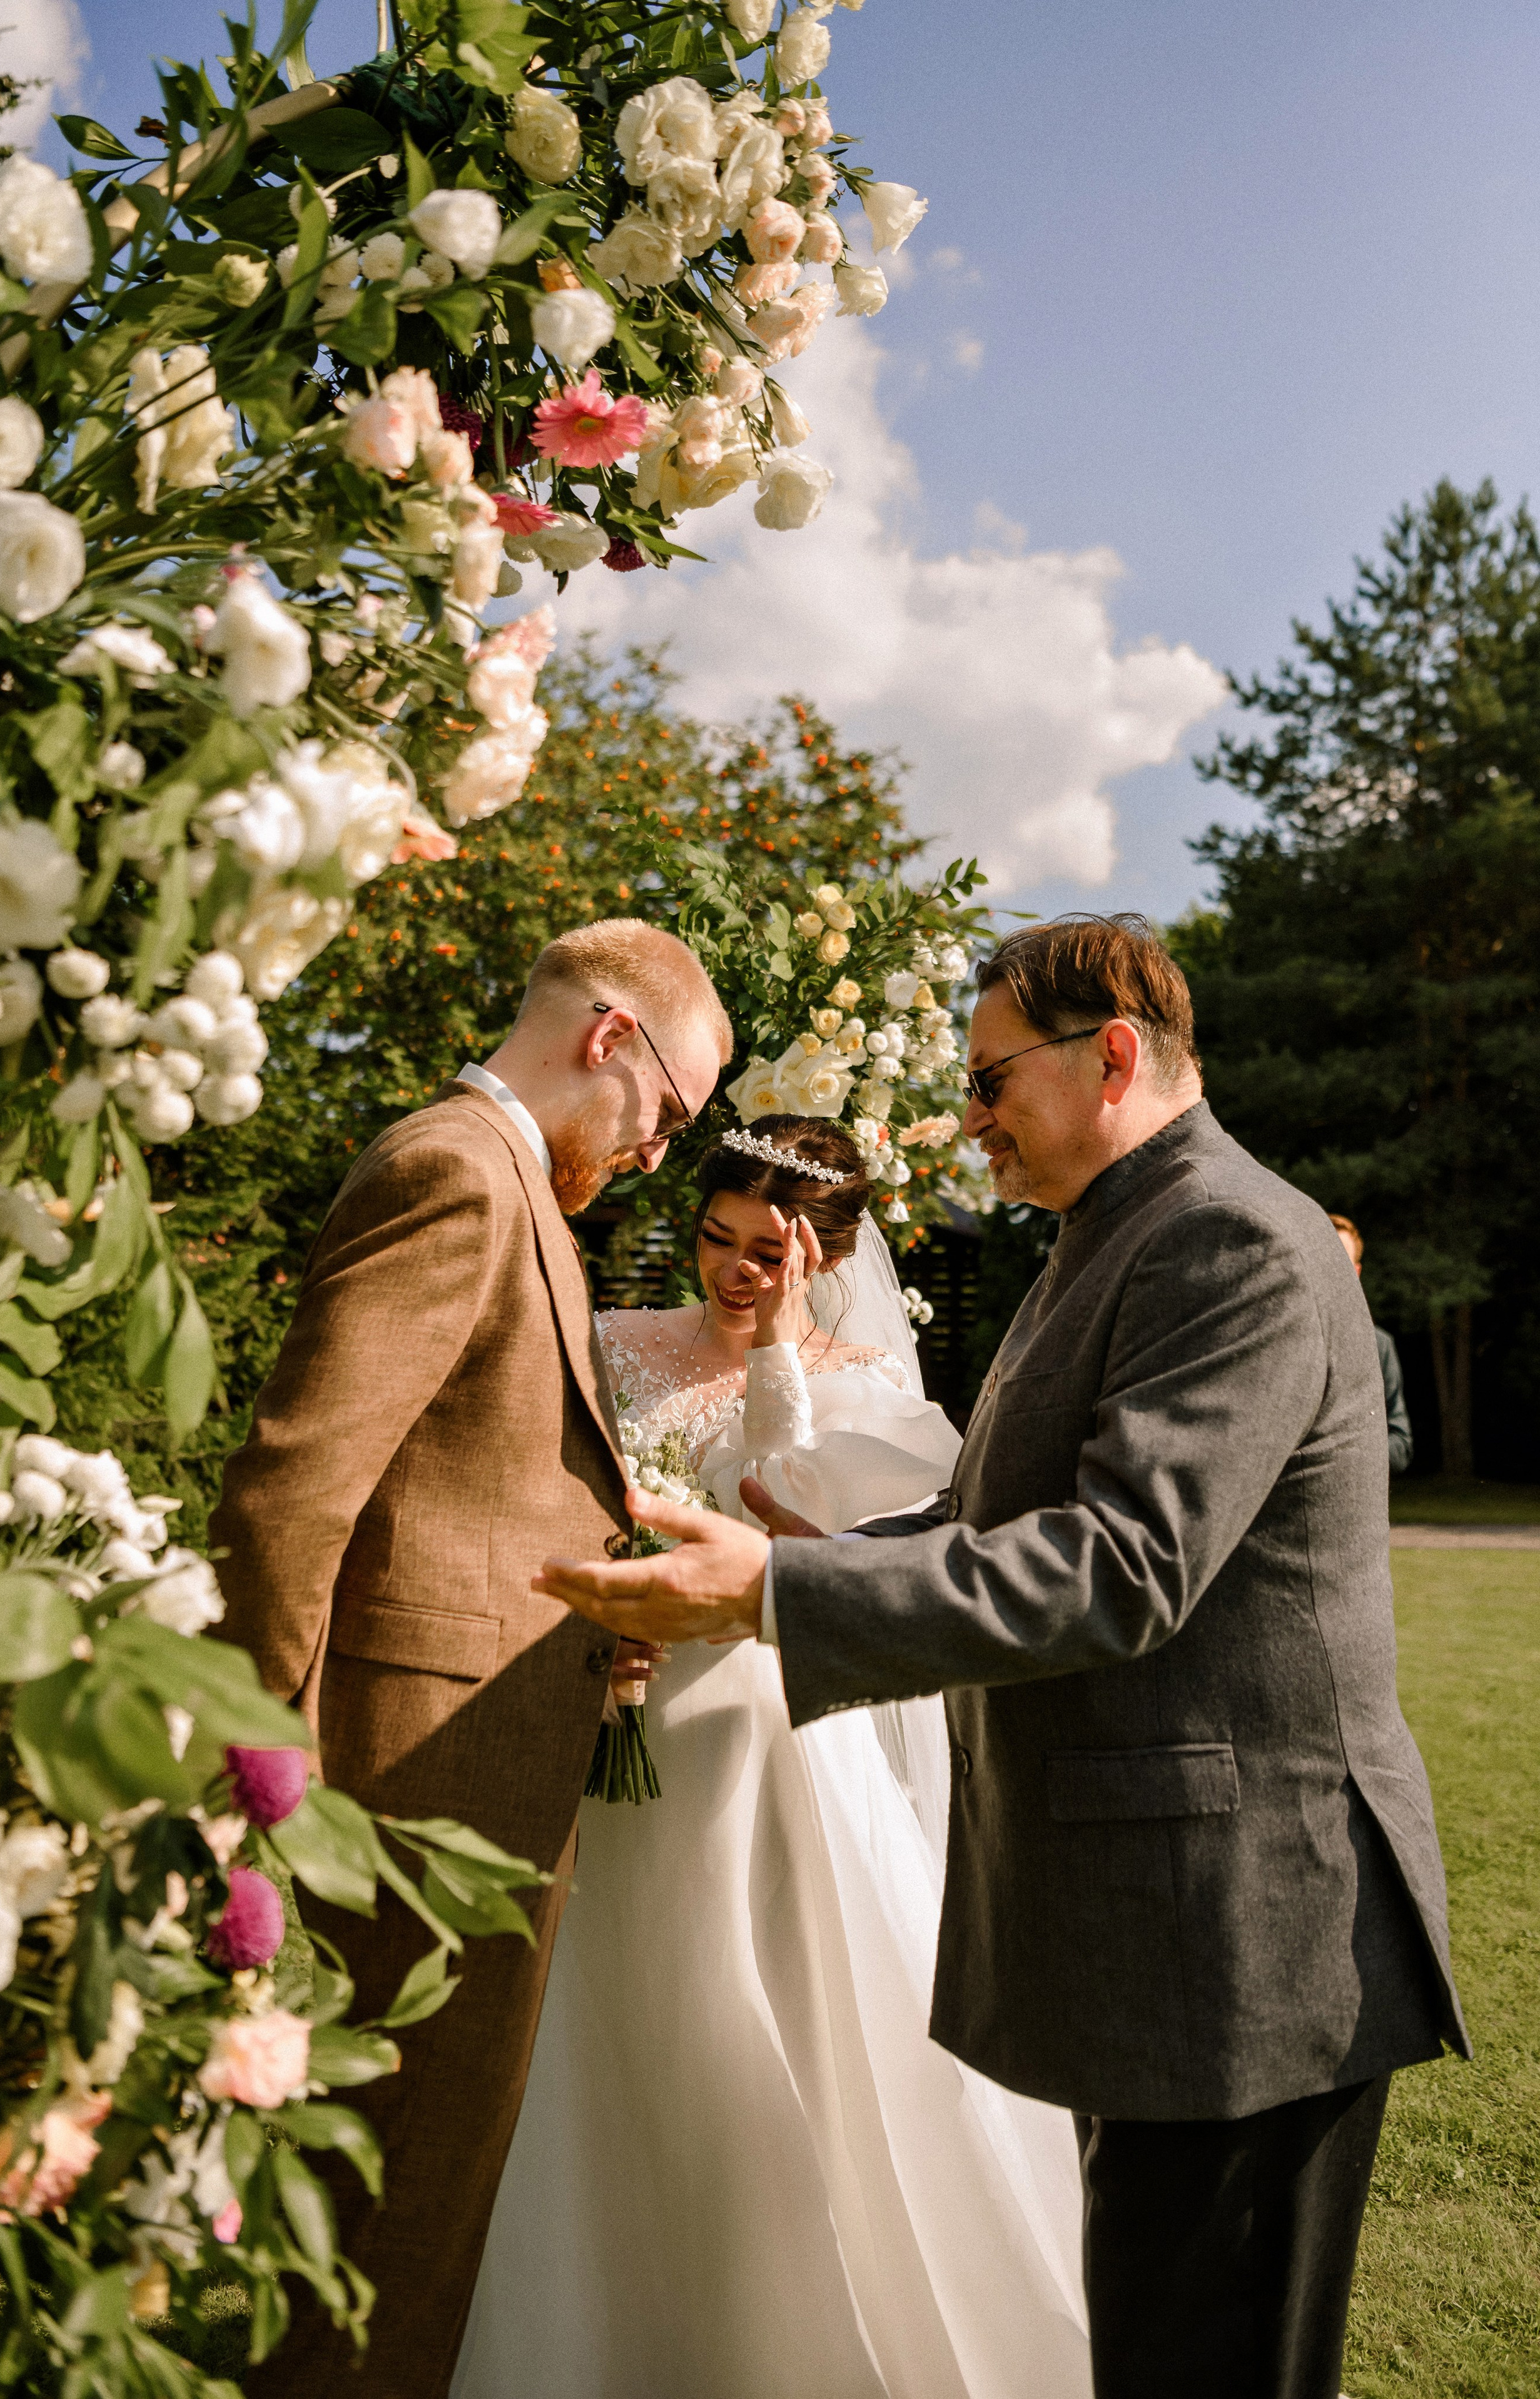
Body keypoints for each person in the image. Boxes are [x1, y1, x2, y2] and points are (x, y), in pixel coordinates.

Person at [535, 914, 1469, 2399]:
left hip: (1246, 1930)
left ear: (1108, 1054)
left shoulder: (1227, 1234)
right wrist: (793, 1559)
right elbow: (984, 1513)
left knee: (1205, 2356)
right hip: (1161, 1919)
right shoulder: (1112, 1227)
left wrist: (769, 1593)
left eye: (988, 1079)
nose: (965, 1117)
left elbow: (1121, 1560)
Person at [457, 1117, 1091, 2399]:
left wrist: (772, 1356)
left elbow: (804, 1531)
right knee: (613, 2022)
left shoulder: (872, 1393)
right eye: (713, 1240)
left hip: (776, 1742)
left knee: (774, 2018)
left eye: (765, 1251)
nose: (733, 1271)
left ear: (821, 1253)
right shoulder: (617, 1344)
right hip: (615, 1717)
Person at [211, 920, 730, 2399]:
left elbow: (458, 1487)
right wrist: (264, 1789)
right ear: (610, 1037)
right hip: (397, 1791)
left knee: (422, 2197)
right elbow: (290, 1494)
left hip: (477, 1778)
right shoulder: (455, 1167)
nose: (654, 1153)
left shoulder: (519, 1190)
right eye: (668, 1114)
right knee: (383, 2209)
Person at [1329, 1214, 1414, 1473]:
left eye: (1341, 1259)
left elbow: (1400, 1446)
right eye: (1325, 1258)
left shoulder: (1379, 1345)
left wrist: (1338, 1455)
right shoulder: (1279, 1336)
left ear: (1357, 1272)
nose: (1332, 1268)